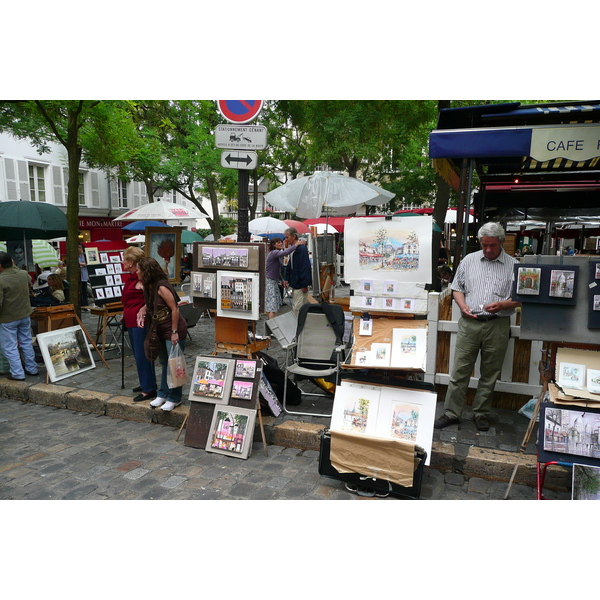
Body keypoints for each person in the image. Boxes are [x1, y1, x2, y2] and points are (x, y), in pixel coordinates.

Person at [434, 222, 520, 432]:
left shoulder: (514, 265)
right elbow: (456, 288)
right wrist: (462, 305)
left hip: (497, 324)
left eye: (492, 245)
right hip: (470, 323)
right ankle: (452, 413)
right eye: (484, 245)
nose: (488, 249)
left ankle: (481, 413)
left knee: (490, 372)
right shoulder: (469, 261)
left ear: (501, 243)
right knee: (460, 370)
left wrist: (504, 305)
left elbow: (520, 296)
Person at [136, 256, 187, 412]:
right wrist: (144, 308)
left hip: (171, 329)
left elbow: (175, 309)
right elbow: (153, 301)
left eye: (138, 269)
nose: (136, 272)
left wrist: (173, 332)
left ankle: (175, 397)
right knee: (165, 363)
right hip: (159, 329)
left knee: (174, 364)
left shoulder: (162, 286)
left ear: (146, 271)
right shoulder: (150, 286)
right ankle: (163, 393)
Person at [121, 247, 157, 403]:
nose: (122, 262)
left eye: (124, 259)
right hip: (131, 320)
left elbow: (152, 297)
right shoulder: (131, 278)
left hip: (140, 322)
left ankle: (148, 388)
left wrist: (144, 308)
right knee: (138, 354)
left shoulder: (141, 279)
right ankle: (146, 382)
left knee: (143, 354)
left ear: (131, 262)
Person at [0, 251, 39, 381]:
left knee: (10, 346)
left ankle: (17, 373)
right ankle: (32, 368)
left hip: (8, 318)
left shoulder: (1, 280)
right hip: (24, 314)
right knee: (26, 342)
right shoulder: (23, 274)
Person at [265, 236, 306, 319]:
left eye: (281, 242)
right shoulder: (274, 253)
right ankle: (271, 326)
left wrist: (282, 280)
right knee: (272, 306)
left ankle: (270, 322)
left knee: (274, 305)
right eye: (278, 242)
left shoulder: (278, 254)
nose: (281, 243)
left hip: (274, 281)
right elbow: (286, 252)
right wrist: (297, 244)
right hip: (269, 281)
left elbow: (278, 270)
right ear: (273, 245)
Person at [283, 227, 312, 316]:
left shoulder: (301, 249)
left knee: (298, 308)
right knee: (296, 306)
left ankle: (298, 327)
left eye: (287, 237)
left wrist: (304, 284)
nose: (286, 240)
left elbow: (304, 266)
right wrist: (286, 278)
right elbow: (290, 265)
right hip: (295, 282)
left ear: (293, 236)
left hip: (299, 283)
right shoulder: (294, 249)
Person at [78, 244, 90, 311]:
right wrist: (82, 264)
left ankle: (85, 305)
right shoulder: (75, 256)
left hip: (84, 276)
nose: (78, 249)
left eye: (79, 247)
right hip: (78, 276)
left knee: (84, 291)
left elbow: (87, 263)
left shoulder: (85, 255)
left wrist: (80, 264)